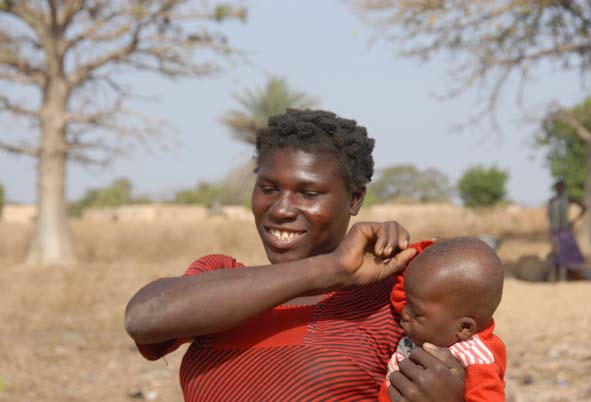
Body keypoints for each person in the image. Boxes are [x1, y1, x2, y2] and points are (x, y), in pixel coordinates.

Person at [125, 109, 465, 401]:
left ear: (355, 198)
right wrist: (330, 269)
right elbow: (143, 319)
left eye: (309, 192)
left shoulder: (395, 300)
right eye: (268, 188)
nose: (281, 209)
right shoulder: (220, 277)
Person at [380, 237, 506, 402]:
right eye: (408, 302)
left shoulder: (477, 359)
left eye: (416, 313)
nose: (403, 311)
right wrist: (424, 248)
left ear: (464, 328)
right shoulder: (432, 313)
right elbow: (407, 283)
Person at [547, 179, 585, 281]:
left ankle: (562, 278)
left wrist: (574, 220)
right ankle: (554, 278)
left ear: (563, 188)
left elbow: (584, 207)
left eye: (560, 187)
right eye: (557, 187)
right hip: (555, 231)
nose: (558, 189)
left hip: (564, 230)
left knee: (564, 254)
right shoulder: (552, 201)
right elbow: (550, 216)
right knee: (556, 254)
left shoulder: (567, 199)